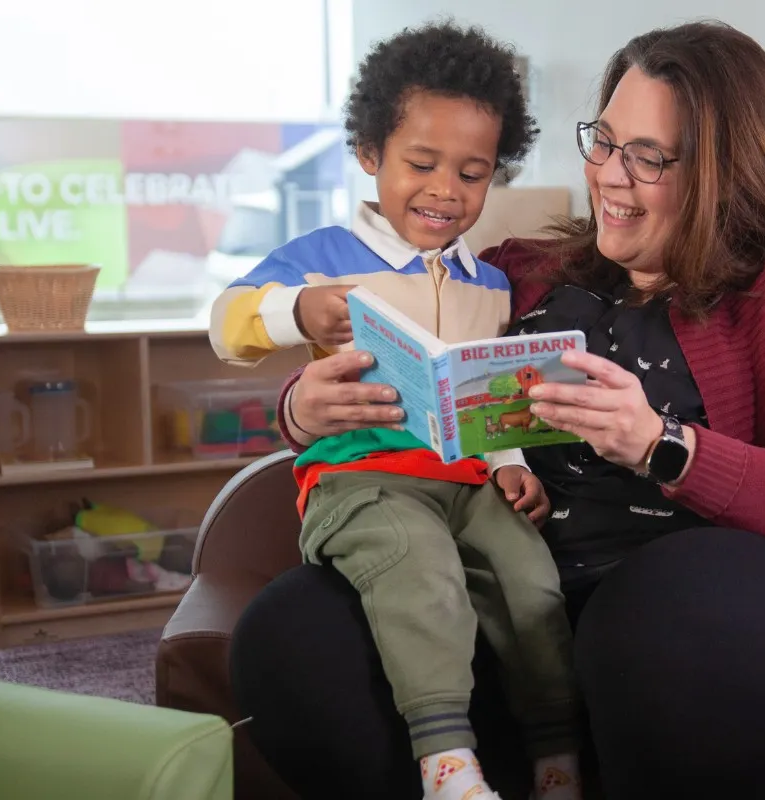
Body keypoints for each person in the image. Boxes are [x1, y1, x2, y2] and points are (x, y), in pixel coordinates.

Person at [231, 19, 765, 800]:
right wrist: (303, 407)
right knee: (291, 638)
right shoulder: (512, 274)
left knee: (674, 606)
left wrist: (664, 446)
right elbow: (389, 357)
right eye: (603, 141)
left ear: (724, 172)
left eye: (648, 157)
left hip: (706, 628)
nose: (608, 174)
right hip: (506, 609)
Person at [210, 21, 584, 800]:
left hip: (467, 479)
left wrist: (513, 466)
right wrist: (297, 311)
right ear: (369, 155)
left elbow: (486, 396)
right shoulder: (326, 258)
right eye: (421, 163)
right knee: (423, 575)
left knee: (532, 581)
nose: (446, 190)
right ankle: (446, 761)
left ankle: (556, 758)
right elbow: (223, 325)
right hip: (362, 479)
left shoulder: (490, 284)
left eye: (474, 173)